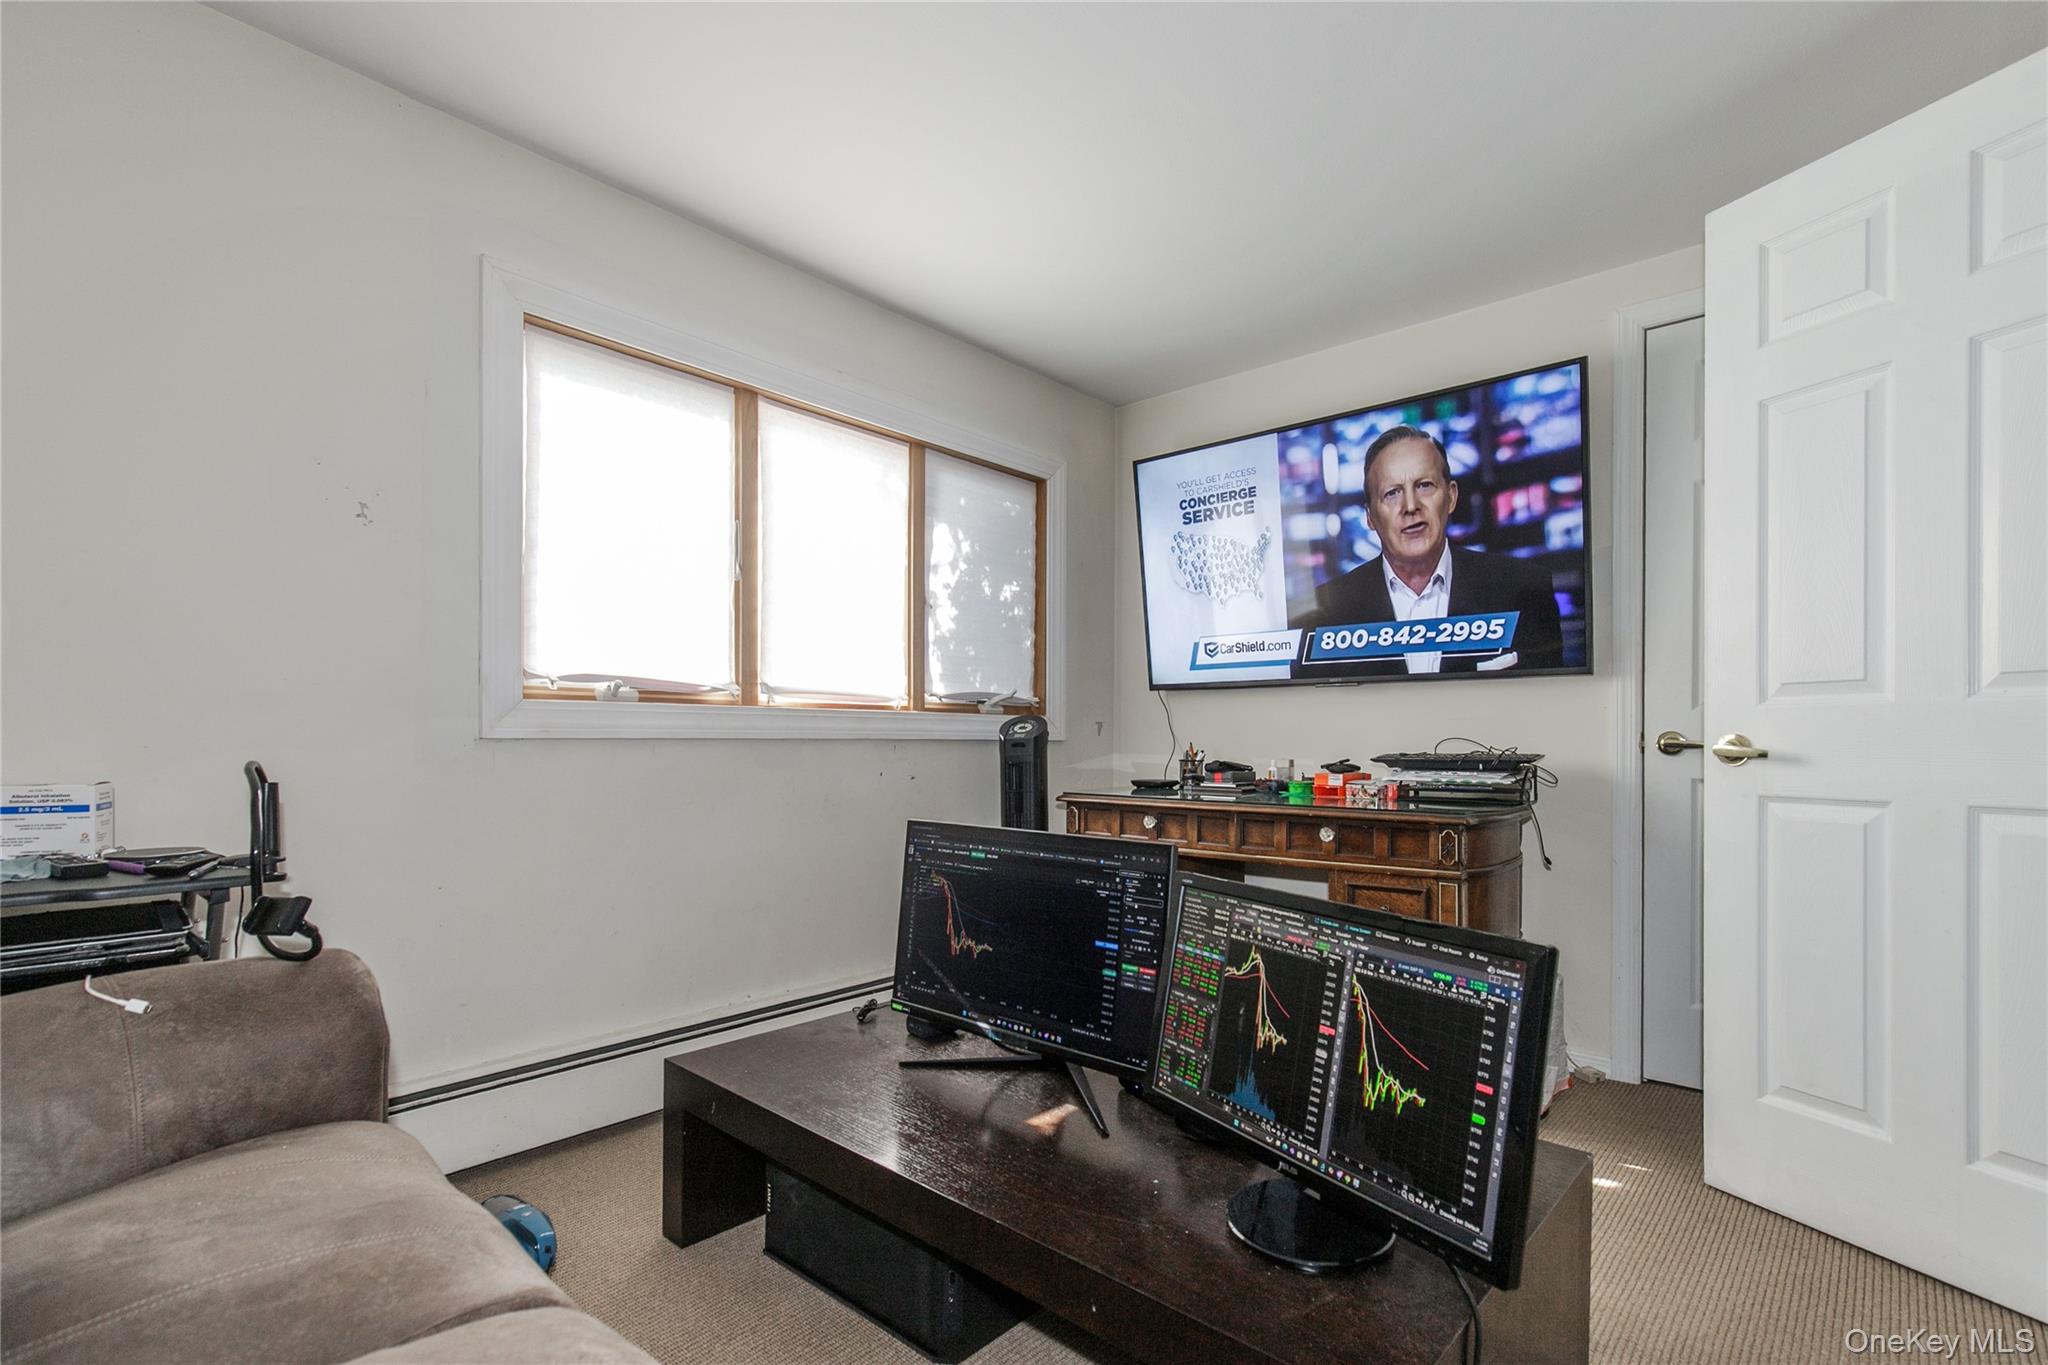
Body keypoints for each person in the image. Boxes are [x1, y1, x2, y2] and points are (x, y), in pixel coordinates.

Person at [1296, 425, 1563, 673]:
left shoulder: (1523, 588)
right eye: (1392, 493)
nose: (1410, 506)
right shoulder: (1325, 611)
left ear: (1451, 496)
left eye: (1424, 486)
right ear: (1370, 516)